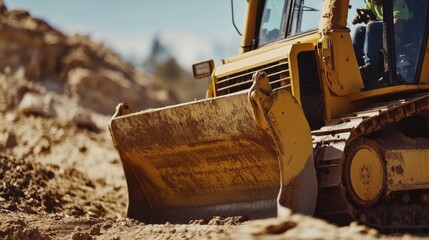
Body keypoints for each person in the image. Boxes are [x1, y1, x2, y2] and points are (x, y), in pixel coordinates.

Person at [351, 0, 409, 89]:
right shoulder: (372, 2)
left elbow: (399, 26)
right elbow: (367, 12)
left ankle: (371, 70)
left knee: (372, 26)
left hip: (399, 37)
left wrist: (375, 26)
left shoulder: (395, 2)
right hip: (383, 37)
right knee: (359, 30)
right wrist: (361, 17)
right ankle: (355, 70)